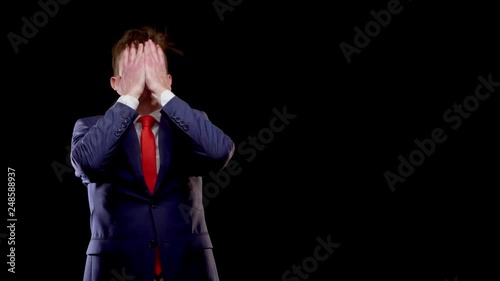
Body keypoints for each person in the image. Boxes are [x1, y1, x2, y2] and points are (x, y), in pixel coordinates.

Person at [70, 25, 235, 281]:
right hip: (115, 269)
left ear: (168, 79)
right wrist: (131, 97)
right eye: (135, 69)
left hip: (189, 268)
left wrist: (164, 93)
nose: (144, 76)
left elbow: (218, 153)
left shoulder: (191, 124)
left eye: (151, 69)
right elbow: (89, 165)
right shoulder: (89, 127)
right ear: (116, 83)